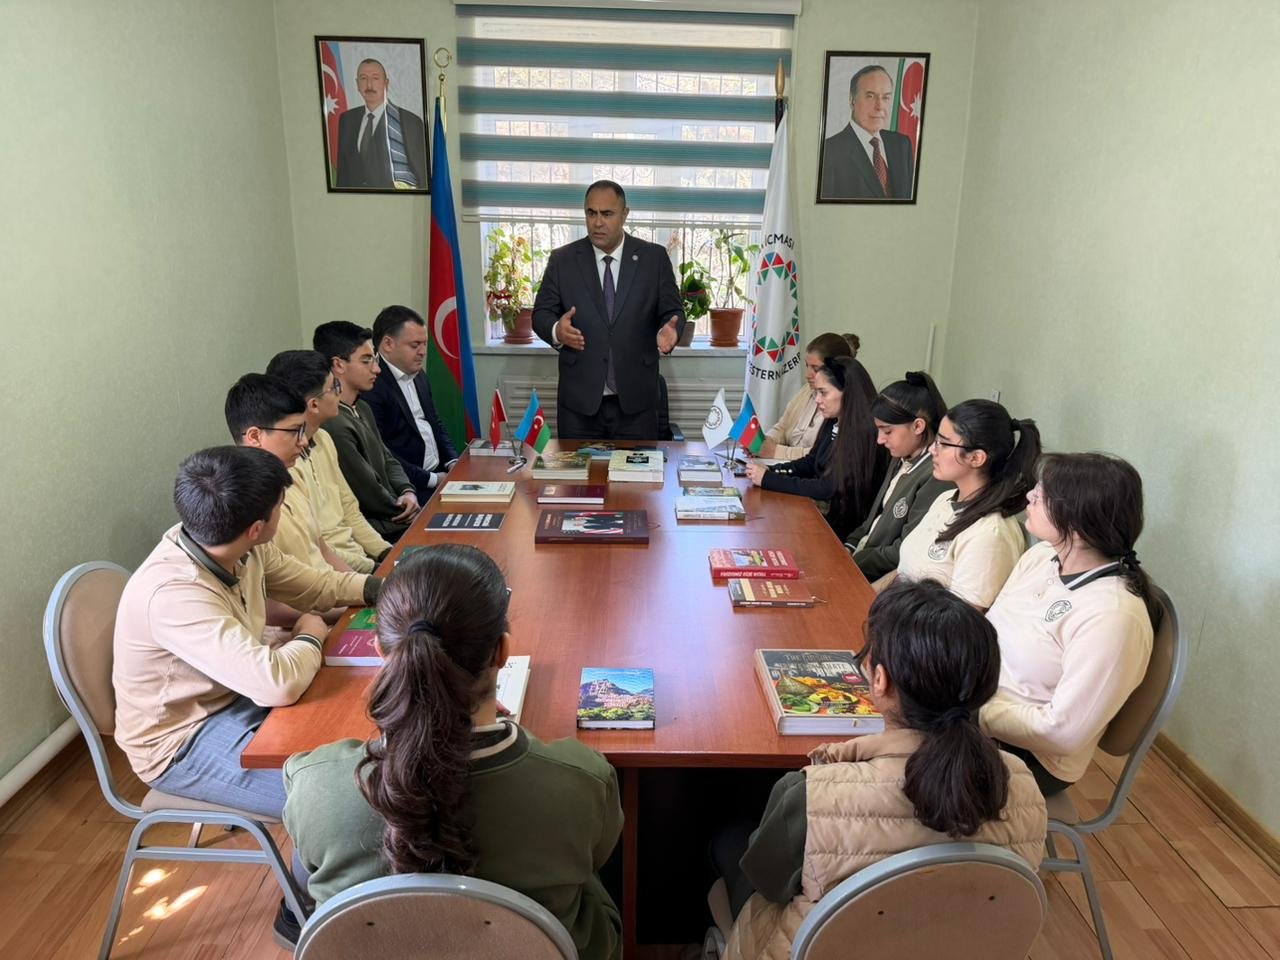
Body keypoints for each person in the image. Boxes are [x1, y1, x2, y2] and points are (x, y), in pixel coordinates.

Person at [283, 544, 623, 959]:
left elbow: (308, 878)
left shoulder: (313, 782)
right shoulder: (581, 779)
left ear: (381, 653)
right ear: (503, 651)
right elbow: (598, 853)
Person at [718, 580, 1046, 960]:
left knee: (726, 841)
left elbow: (768, 885)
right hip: (957, 948)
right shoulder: (1024, 787)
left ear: (879, 679)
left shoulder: (809, 796)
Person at [112, 446, 380, 819]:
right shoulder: (173, 594)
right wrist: (310, 632)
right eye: (281, 506)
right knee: (343, 800)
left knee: (362, 733)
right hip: (183, 741)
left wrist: (380, 589)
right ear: (257, 527)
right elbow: (276, 683)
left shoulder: (235, 545)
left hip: (235, 693)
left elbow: (312, 585)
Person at [981, 453, 1157, 797]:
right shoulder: (1041, 557)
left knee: (891, 761)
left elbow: (1062, 733)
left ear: (1076, 524)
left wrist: (974, 711)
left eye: (1042, 494)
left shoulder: (1114, 616)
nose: (1030, 496)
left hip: (1031, 755)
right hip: (977, 705)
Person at [532, 180, 686, 440]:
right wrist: (558, 331)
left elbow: (673, 311)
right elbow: (541, 315)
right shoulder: (563, 260)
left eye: (607, 214)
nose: (597, 222)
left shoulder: (653, 258)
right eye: (591, 213)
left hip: (637, 402)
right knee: (577, 469)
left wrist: (671, 330)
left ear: (625, 214)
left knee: (637, 468)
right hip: (579, 404)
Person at [884, 399, 1041, 610]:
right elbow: (903, 573)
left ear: (976, 458)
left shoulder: (990, 533)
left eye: (943, 443)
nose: (932, 450)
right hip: (892, 613)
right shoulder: (945, 499)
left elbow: (962, 621)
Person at [266, 350, 394, 574]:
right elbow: (318, 548)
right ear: (314, 405)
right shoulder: (286, 464)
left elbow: (350, 510)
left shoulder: (324, 438)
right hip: (334, 574)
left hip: (361, 562)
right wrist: (374, 568)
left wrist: (387, 553)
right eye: (334, 387)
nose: (340, 392)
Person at [744, 357, 888, 540]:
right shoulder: (834, 420)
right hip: (825, 515)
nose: (817, 400)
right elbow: (811, 462)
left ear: (848, 393)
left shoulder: (864, 432)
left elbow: (828, 488)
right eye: (816, 393)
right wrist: (772, 470)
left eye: (823, 393)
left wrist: (769, 479)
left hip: (845, 531)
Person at [313, 321, 419, 542]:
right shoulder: (334, 423)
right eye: (366, 360)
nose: (377, 369)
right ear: (338, 365)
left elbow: (388, 459)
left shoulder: (362, 407)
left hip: (399, 515)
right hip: (380, 529)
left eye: (375, 359)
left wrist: (407, 491)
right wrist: (405, 509)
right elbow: (368, 490)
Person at [844, 371, 954, 580]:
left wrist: (852, 562)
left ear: (918, 426)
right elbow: (874, 519)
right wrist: (849, 545)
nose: (879, 440)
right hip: (862, 558)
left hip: (882, 576)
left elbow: (905, 550)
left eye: (887, 431)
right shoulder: (902, 454)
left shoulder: (936, 475)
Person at [364, 304, 459, 501]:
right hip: (410, 487)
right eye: (415, 345)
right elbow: (381, 452)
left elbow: (434, 422)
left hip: (439, 472)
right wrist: (432, 480)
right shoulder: (372, 385)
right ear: (388, 344)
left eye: (425, 344)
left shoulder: (419, 375)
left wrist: (452, 461)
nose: (423, 352)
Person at [819, 64, 915, 200]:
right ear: (852, 100)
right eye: (870, 96)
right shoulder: (828, 151)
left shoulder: (902, 144)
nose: (879, 106)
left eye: (886, 97)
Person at [758, 332, 855, 460]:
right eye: (807, 366)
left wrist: (776, 451)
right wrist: (763, 444)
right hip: (789, 465)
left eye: (816, 369)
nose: (808, 375)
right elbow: (783, 427)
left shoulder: (844, 406)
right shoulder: (807, 390)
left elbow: (824, 456)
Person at [335, 58, 426, 190]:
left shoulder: (410, 122)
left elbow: (420, 176)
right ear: (357, 84)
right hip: (355, 200)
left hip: (393, 200)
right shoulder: (347, 120)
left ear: (386, 83)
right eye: (363, 78)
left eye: (375, 78)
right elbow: (342, 174)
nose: (369, 85)